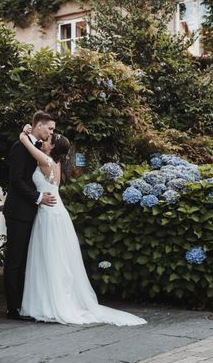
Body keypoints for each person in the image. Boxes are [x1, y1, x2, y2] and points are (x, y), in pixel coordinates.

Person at [18, 126, 146, 326]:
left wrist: (24, 135)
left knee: (50, 258)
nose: (46, 139)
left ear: (52, 148)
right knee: (54, 258)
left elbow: (27, 144)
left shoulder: (46, 161)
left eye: (50, 139)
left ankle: (50, 304)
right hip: (54, 212)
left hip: (50, 215)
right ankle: (47, 301)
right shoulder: (55, 162)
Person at [3, 111, 57, 321]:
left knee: (25, 259)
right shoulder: (19, 147)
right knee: (15, 260)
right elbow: (16, 180)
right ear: (38, 125)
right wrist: (38, 198)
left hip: (31, 212)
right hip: (18, 212)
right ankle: (12, 309)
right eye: (49, 128)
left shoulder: (35, 147)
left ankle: (23, 304)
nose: (51, 132)